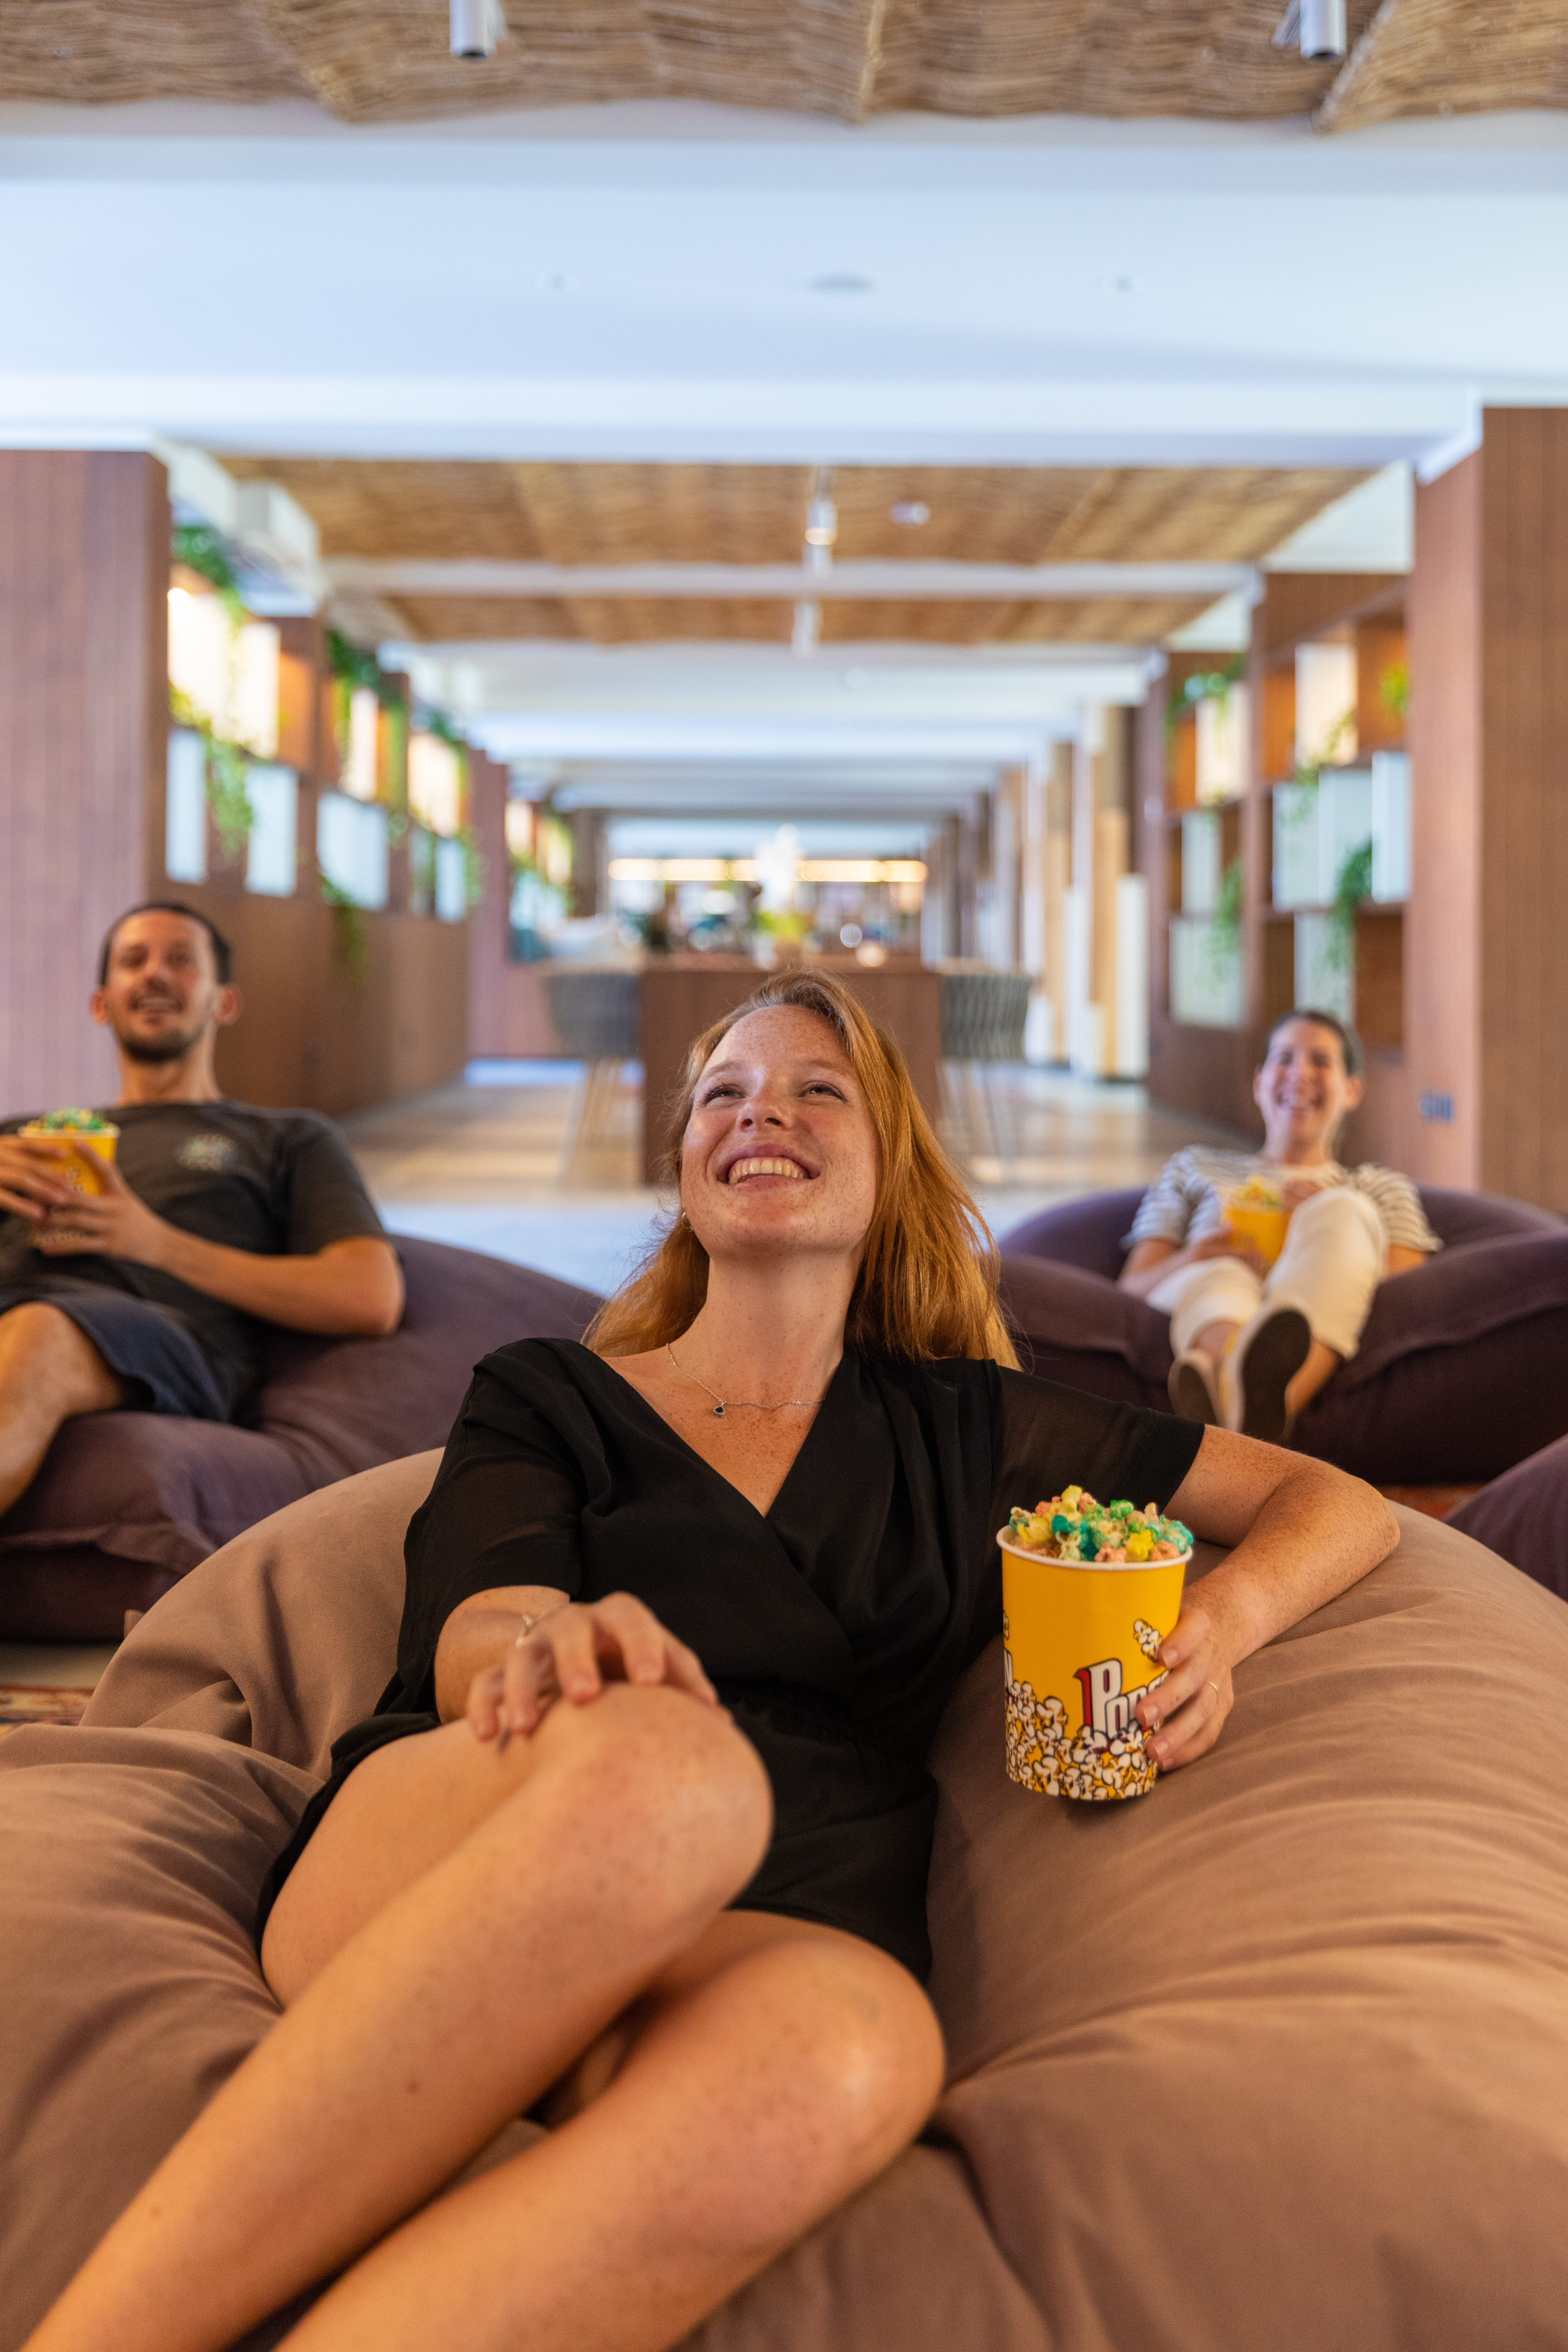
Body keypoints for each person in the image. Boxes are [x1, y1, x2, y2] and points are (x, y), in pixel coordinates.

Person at [25, 973, 1397, 2352]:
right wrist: (547, 1641)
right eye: (724, 1093)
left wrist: (1218, 1622)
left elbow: (1328, 1499)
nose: (762, 1114)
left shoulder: (970, 1425)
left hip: (785, 1903)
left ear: (890, 1163)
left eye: (815, 1090)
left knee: (857, 2050)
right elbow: (469, 1635)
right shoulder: (550, 1388)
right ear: (685, 1159)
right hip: (479, 1824)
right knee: (675, 1773)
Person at [0, 902, 403, 1518]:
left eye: (182, 961)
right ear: (101, 1002)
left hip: (159, 1338)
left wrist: (149, 1241)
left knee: (43, 1331)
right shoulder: (26, 1133)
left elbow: (369, 1296)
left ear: (224, 1002)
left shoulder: (286, 1137)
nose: (155, 974)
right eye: (133, 961)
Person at [1119, 1009, 1439, 1443]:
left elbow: (1407, 1304)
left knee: (1345, 1210)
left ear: (1351, 1090)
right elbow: (1132, 1287)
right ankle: (1252, 1410)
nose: (1299, 1074)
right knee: (1224, 1273)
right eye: (1284, 1059)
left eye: (1320, 1062)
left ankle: (1241, 1403)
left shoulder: (1377, 1187)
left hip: (1317, 1305)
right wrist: (1196, 1254)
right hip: (1203, 1292)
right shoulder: (1195, 1167)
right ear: (1259, 1083)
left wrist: (1318, 1228)